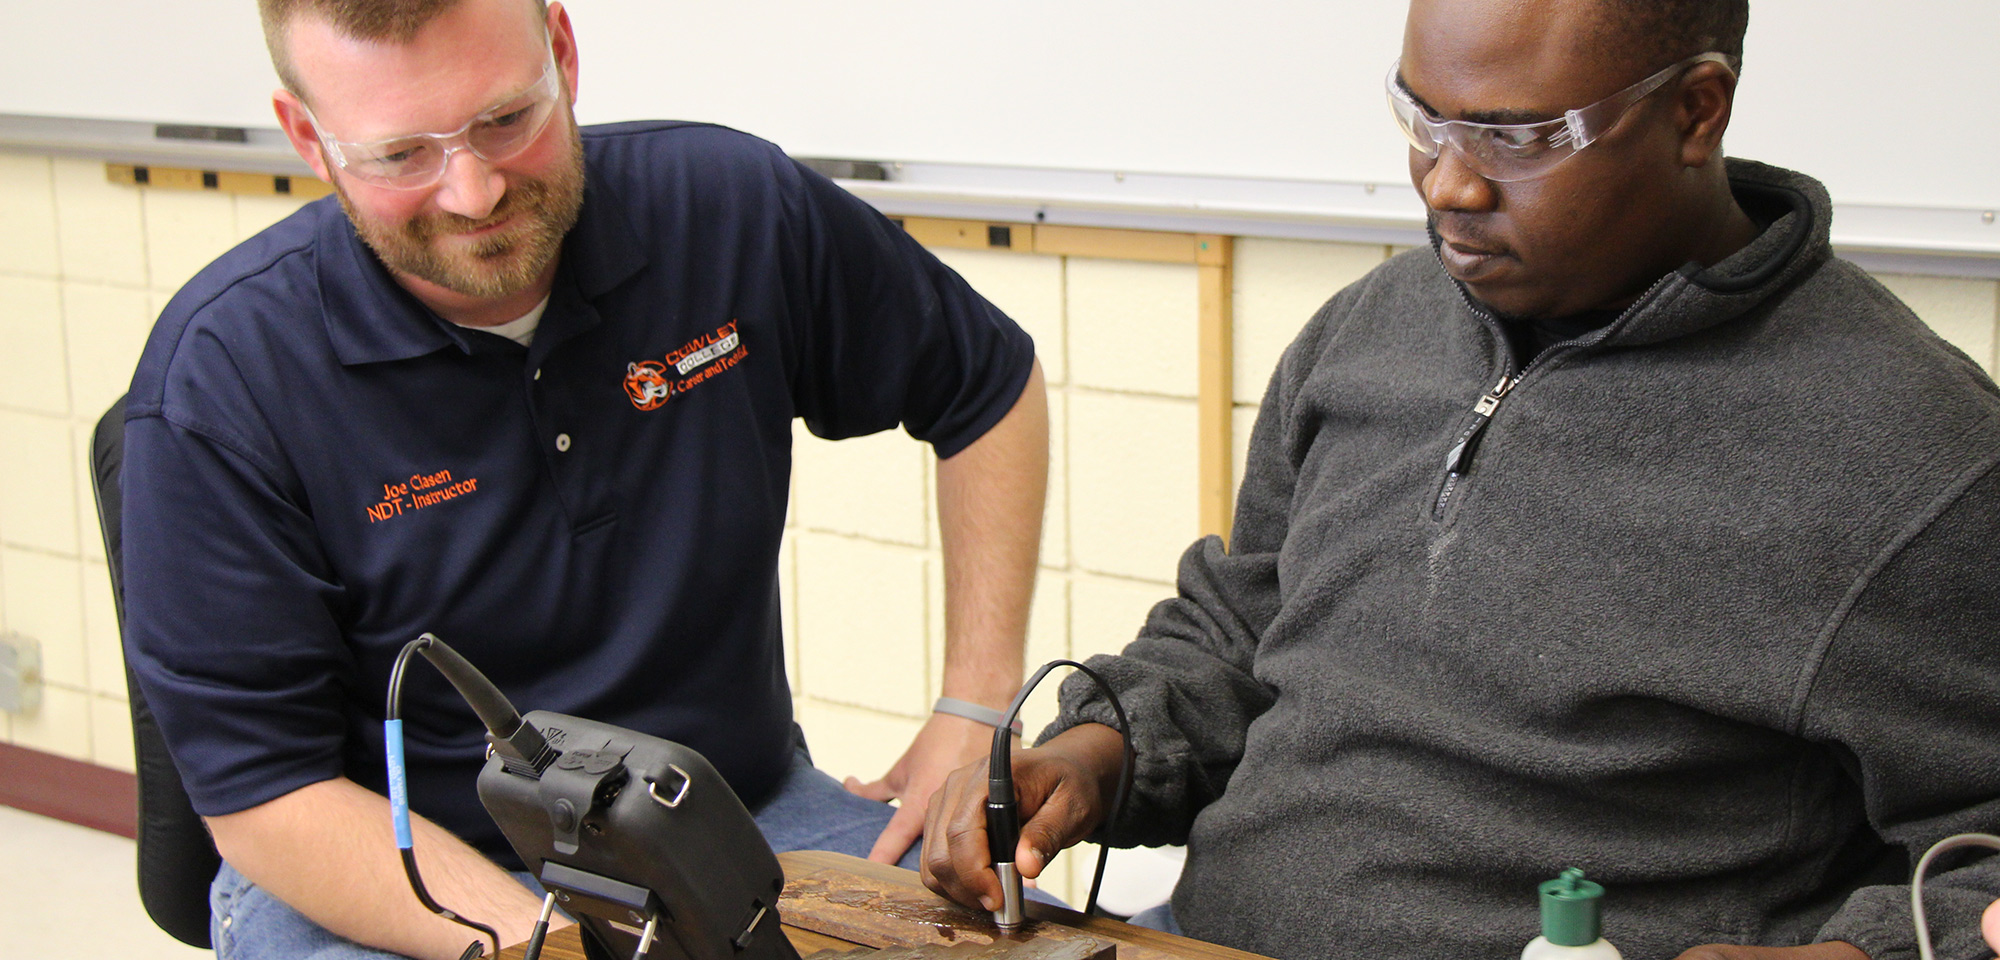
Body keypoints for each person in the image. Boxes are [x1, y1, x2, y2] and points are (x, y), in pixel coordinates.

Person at [920, 1, 2000, 959]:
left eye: (1516, 136)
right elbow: (1235, 635)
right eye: (1421, 119)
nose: (1447, 180)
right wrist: (1093, 756)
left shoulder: (1914, 457)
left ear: (1695, 112)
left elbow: (1980, 868)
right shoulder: (1366, 330)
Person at [119, 0, 1048, 956]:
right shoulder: (220, 381)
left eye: (506, 121)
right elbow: (268, 797)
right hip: (395, 875)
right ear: (309, 138)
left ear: (561, 51)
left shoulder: (727, 206)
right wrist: (557, 945)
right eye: (400, 156)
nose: (473, 192)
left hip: (732, 822)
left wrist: (973, 710)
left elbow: (987, 385)